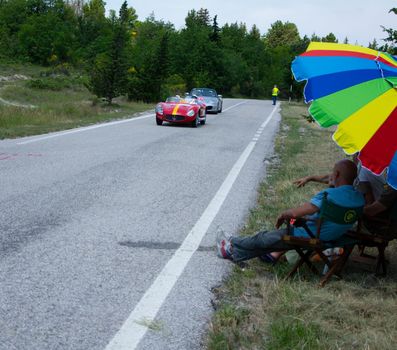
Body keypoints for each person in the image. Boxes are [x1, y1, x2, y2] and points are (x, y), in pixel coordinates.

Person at [217, 159, 365, 263]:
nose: (331, 175)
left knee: (264, 238)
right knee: (272, 242)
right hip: (331, 238)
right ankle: (231, 251)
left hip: (309, 235)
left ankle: (232, 241)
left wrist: (283, 215)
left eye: (333, 172)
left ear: (337, 175)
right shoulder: (359, 199)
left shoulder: (329, 196)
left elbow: (296, 214)